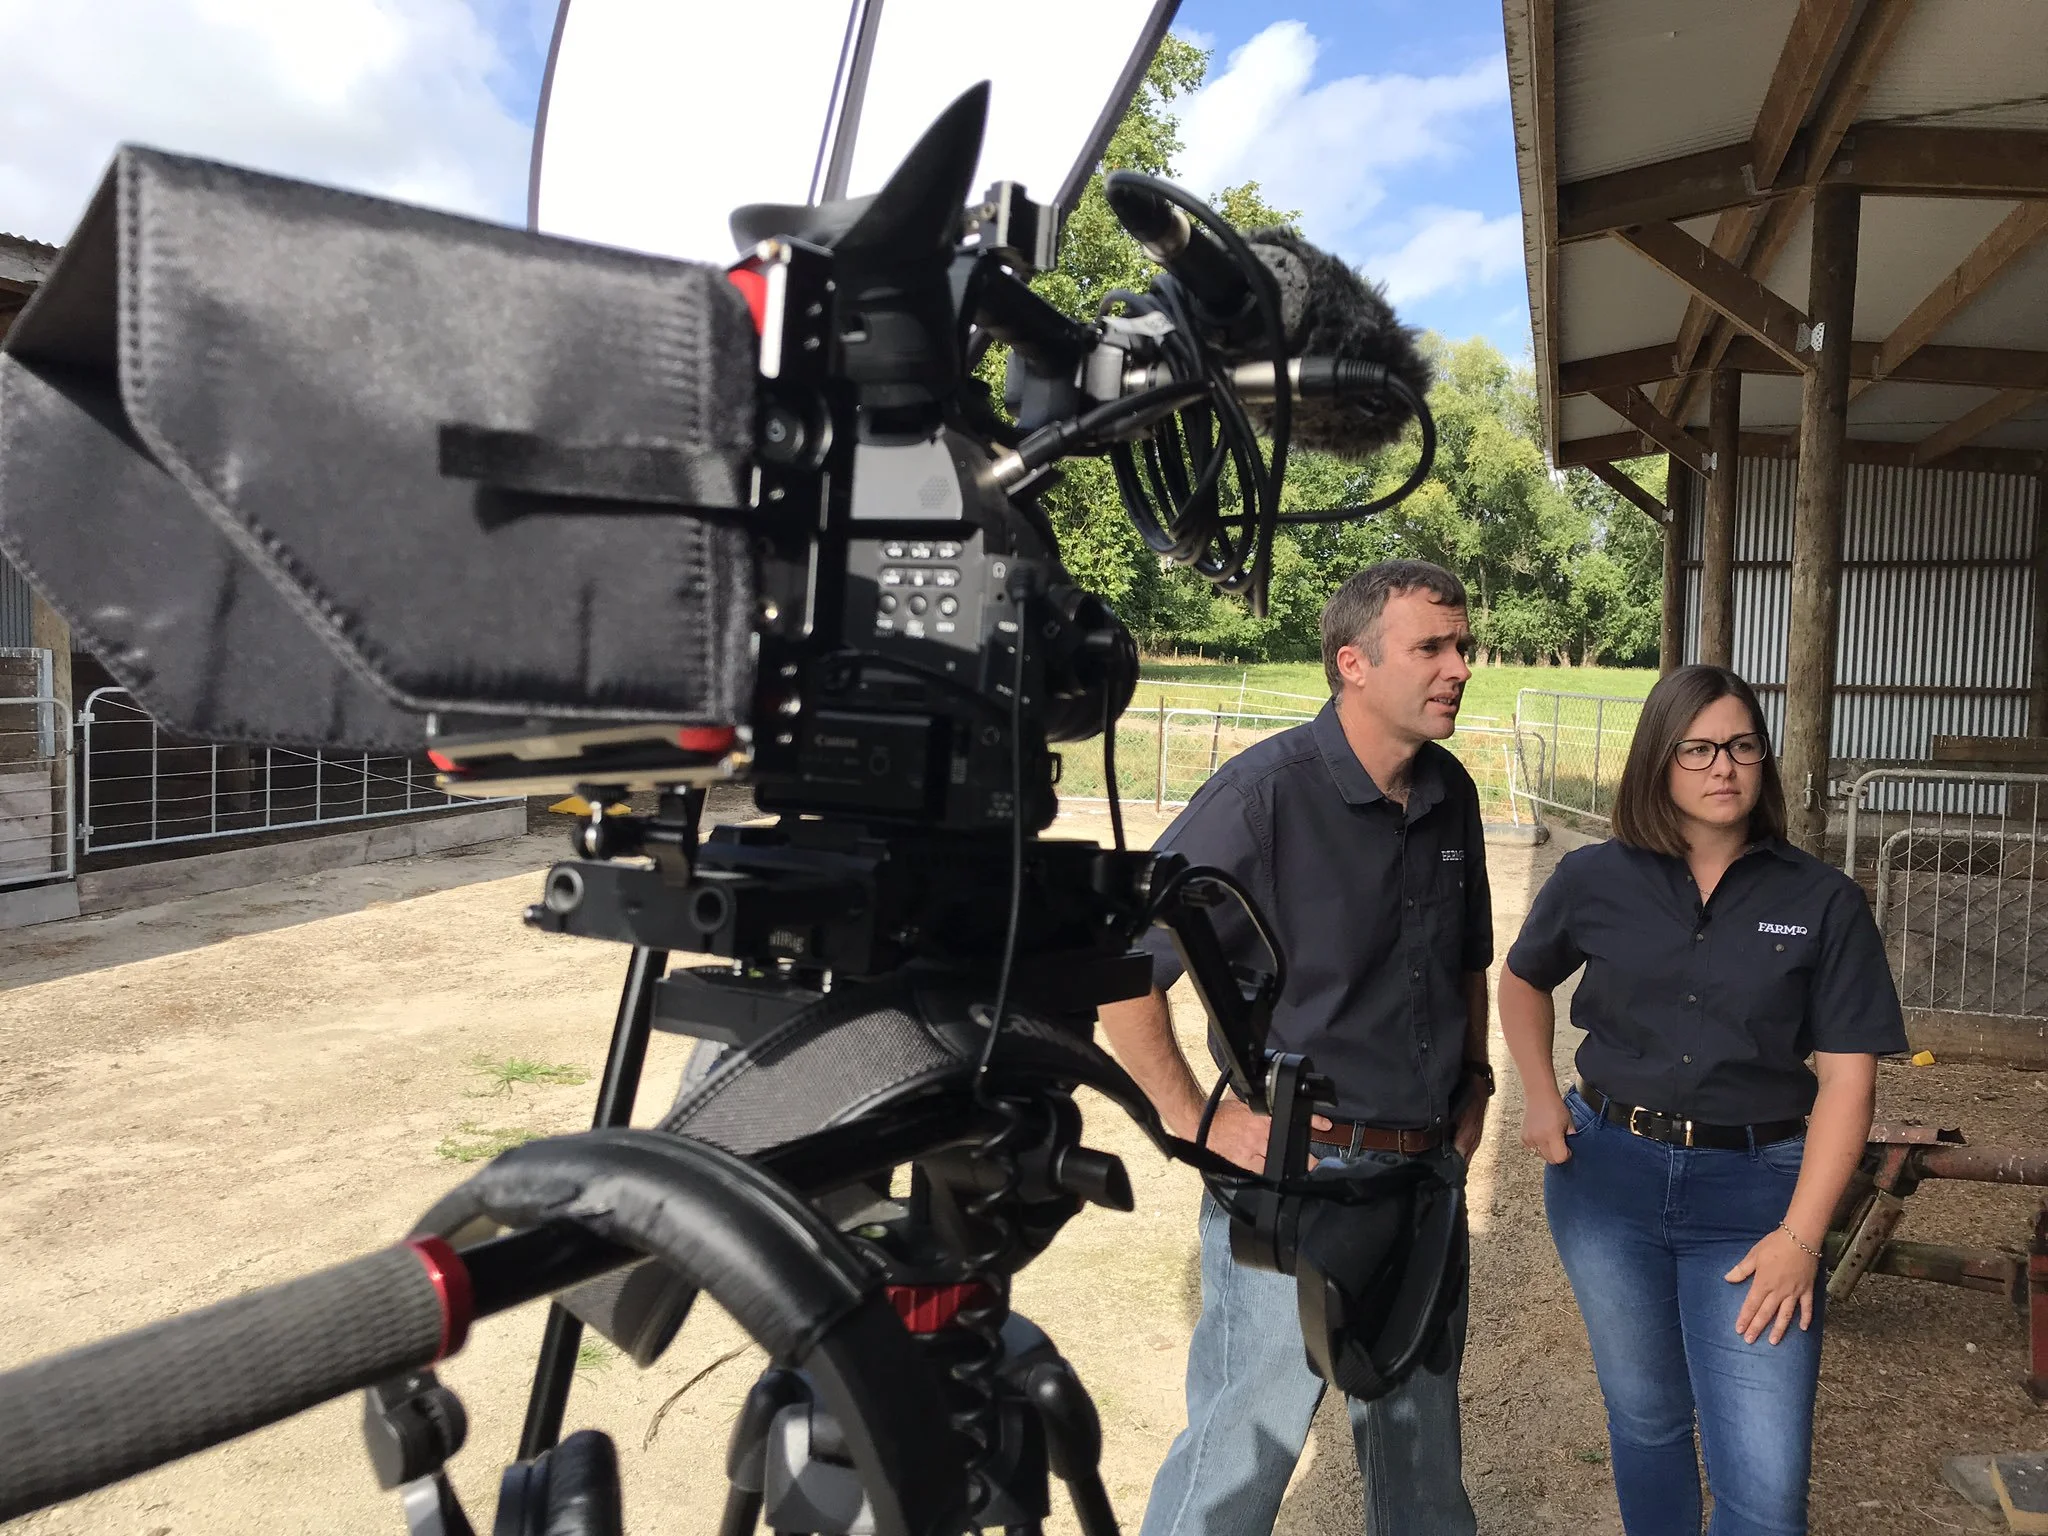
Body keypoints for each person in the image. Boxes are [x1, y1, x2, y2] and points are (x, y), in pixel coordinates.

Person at [1099, 559, 1493, 1536]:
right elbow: (1122, 973)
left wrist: (1475, 1081)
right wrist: (1197, 1119)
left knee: (1422, 1478)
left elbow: (1463, 960)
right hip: (1295, 1179)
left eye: (1461, 647)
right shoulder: (1259, 799)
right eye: (1430, 649)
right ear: (1350, 663)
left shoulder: (1449, 793)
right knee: (1238, 1461)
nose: (1457, 668)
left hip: (1421, 1181)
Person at [1498, 664, 1906, 1536]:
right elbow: (1522, 980)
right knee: (1646, 1424)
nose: (1724, 767)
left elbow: (1848, 1081)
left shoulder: (1822, 902)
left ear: (1763, 762)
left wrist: (1803, 1236)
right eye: (1698, 749)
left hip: (1757, 1199)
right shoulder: (1594, 878)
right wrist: (1540, 1097)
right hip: (1607, 1185)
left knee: (1764, 1491)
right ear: (1660, 761)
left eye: (1742, 746)